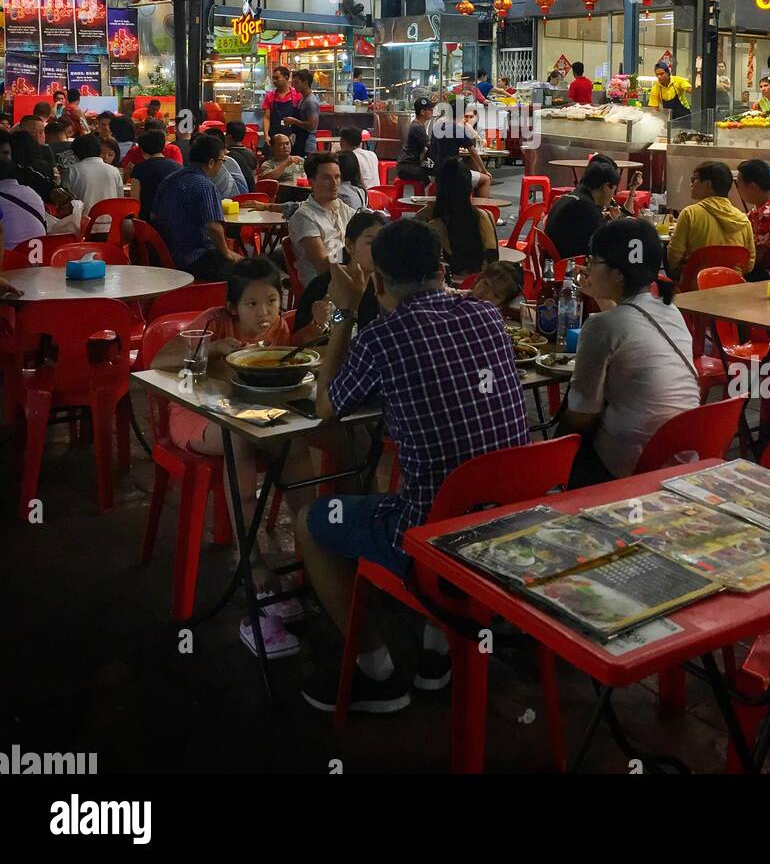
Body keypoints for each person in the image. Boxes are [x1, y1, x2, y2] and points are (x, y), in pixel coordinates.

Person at [297, 218, 530, 713]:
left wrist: (341, 312)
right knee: (455, 476)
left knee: (312, 523)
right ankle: (435, 654)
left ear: (378, 282)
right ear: (441, 269)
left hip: (435, 544)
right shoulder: (487, 316)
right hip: (510, 525)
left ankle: (376, 672)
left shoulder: (383, 338)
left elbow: (327, 406)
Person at [154, 257, 317, 658]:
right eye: (252, 304)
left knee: (294, 441)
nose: (264, 313)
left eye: (272, 302)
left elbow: (289, 360)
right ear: (232, 307)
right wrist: (209, 351)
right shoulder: (213, 323)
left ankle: (313, 550)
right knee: (238, 441)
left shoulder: (277, 328)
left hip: (248, 414)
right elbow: (157, 363)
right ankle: (251, 563)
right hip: (195, 417)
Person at [559, 218, 699, 486]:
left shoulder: (602, 326)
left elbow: (581, 414)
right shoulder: (670, 311)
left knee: (570, 437)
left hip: (632, 462)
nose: (588, 267)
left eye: (594, 261)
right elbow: (626, 320)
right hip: (681, 453)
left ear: (618, 273)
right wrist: (602, 295)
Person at [151, 132, 238, 281]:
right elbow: (213, 227)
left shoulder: (169, 179)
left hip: (164, 255)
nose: (221, 165)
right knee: (244, 272)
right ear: (211, 162)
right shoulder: (205, 186)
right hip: (193, 258)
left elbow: (153, 215)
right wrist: (227, 253)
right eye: (221, 161)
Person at [294, 207, 387, 333]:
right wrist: (318, 324)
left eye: (384, 243)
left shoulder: (387, 288)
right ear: (349, 245)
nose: (379, 250)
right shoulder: (324, 286)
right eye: (371, 242)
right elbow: (296, 342)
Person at [665, 160, 755, 281]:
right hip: (733, 284)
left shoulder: (689, 214)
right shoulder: (743, 219)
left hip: (695, 286)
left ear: (708, 184)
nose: (691, 184)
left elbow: (673, 257)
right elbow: (749, 264)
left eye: (694, 180)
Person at [415, 158, 498, 279]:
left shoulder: (437, 225)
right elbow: (493, 258)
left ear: (439, 188)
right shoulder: (486, 215)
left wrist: (420, 217)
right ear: (469, 187)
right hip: (486, 284)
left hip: (455, 289)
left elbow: (421, 262)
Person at [287, 153, 355, 288]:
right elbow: (324, 267)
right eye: (326, 178)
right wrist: (355, 253)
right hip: (322, 288)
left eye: (337, 177)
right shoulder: (304, 217)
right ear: (311, 181)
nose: (334, 183)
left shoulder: (340, 206)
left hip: (345, 277)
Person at [546, 157, 634, 260]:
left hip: (557, 261)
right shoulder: (587, 208)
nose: (612, 196)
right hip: (572, 265)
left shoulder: (568, 198)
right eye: (613, 190)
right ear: (606, 187)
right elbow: (604, 245)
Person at [427, 104, 493, 197]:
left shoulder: (437, 127)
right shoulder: (458, 130)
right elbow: (473, 152)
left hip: (433, 174)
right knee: (485, 179)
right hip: (450, 174)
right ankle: (482, 210)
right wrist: (484, 170)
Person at [0, 134, 49, 247]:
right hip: (39, 259)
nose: (2, 159)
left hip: (8, 261)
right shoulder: (32, 194)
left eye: (6, 153)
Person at [129, 129, 181, 221]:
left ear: (142, 149)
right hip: (174, 219)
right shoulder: (177, 167)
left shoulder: (139, 168)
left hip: (148, 223)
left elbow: (135, 201)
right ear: (163, 146)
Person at [11, 123, 65, 206]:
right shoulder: (46, 165)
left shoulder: (11, 170)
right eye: (33, 132)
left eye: (41, 132)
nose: (37, 136)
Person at [71, 133, 124, 217]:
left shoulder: (73, 169)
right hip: (110, 223)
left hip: (82, 223)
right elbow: (120, 199)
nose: (105, 157)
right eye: (102, 153)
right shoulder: (115, 171)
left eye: (110, 154)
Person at [396, 97, 435, 187]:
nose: (432, 111)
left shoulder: (418, 125)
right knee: (431, 175)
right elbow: (430, 145)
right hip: (407, 167)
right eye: (430, 109)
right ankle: (424, 198)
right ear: (422, 112)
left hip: (408, 165)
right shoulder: (417, 127)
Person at [261, 66, 300, 149]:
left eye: (277, 78)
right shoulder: (270, 96)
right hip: (274, 137)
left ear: (286, 78)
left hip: (291, 138)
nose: (274, 81)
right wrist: (266, 135)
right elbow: (266, 117)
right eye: (273, 78)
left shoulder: (296, 95)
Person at [282, 69, 320, 154]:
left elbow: (312, 125)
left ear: (305, 83)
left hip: (307, 144)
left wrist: (294, 121)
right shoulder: (303, 99)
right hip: (300, 140)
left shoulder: (310, 101)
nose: (294, 85)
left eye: (297, 82)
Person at [45, 120, 80, 196]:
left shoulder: (47, 151)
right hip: (80, 188)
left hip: (60, 194)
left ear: (47, 136)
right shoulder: (78, 146)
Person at [339, 125, 378, 189]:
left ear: (343, 142)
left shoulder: (349, 158)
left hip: (362, 195)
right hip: (378, 194)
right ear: (360, 142)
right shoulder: (372, 154)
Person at [225, 121, 257, 190]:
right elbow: (254, 177)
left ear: (229, 136)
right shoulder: (251, 153)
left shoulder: (226, 156)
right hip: (250, 192)